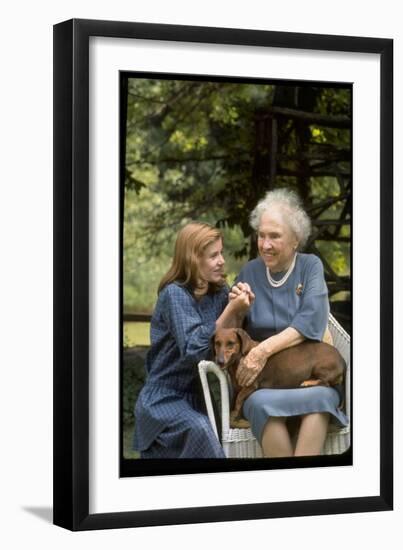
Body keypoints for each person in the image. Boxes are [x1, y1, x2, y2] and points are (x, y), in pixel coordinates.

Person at [230, 188, 348, 457]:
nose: (265, 244)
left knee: (320, 399)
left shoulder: (310, 266)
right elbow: (232, 330)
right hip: (264, 384)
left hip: (311, 377)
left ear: (295, 240)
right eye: (261, 235)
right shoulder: (249, 271)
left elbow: (311, 320)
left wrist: (261, 351)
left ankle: (304, 488)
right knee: (258, 403)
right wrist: (235, 308)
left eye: (274, 236)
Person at [133, 222, 250, 458]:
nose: (222, 261)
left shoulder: (217, 291)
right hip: (165, 398)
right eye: (213, 255)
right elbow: (195, 348)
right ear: (193, 259)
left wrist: (241, 308)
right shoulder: (174, 295)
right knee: (199, 432)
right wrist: (230, 310)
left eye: (221, 253)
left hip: (199, 397)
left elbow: (228, 341)